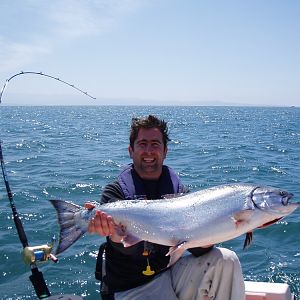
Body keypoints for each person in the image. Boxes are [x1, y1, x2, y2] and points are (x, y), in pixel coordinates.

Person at [88, 115, 245, 300]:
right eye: (142, 144)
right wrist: (116, 236)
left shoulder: (180, 194)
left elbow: (198, 250)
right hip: (129, 287)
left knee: (226, 260)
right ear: (131, 151)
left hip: (168, 273)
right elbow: (128, 251)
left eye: (155, 144)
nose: (149, 151)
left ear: (165, 151)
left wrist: (240, 224)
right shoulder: (115, 193)